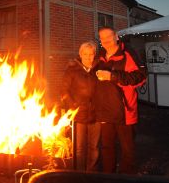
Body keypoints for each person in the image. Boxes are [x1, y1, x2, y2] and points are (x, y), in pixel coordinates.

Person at [94, 27, 146, 174]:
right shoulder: (101, 57)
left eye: (108, 37)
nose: (106, 42)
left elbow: (140, 78)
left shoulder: (127, 54)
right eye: (102, 39)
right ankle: (108, 178)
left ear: (116, 36)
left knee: (127, 150)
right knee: (107, 147)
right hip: (106, 111)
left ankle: (126, 180)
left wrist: (112, 76)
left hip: (125, 111)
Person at [60, 41, 100, 172]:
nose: (88, 57)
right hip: (78, 115)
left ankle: (91, 172)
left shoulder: (98, 69)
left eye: (91, 54)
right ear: (80, 54)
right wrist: (73, 107)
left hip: (96, 114)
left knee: (94, 147)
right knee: (79, 148)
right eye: (85, 54)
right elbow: (64, 91)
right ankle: (78, 173)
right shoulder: (72, 70)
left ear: (94, 55)